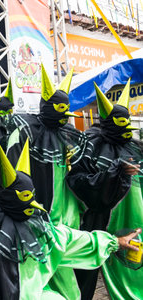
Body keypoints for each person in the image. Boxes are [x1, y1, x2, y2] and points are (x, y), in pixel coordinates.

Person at [0, 139, 142, 300]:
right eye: (24, 196)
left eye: (31, 196)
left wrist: (115, 241)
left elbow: (81, 240)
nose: (31, 202)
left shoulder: (43, 230)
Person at [7, 66, 84, 299]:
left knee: (69, 287)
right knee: (33, 284)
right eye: (60, 108)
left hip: (63, 223)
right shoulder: (24, 130)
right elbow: (11, 173)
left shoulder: (69, 134)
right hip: (32, 218)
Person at [66, 79, 143, 300]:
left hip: (129, 220)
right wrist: (113, 175)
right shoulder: (90, 145)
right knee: (86, 277)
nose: (125, 126)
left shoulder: (134, 147)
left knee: (131, 270)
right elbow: (77, 181)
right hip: (94, 221)